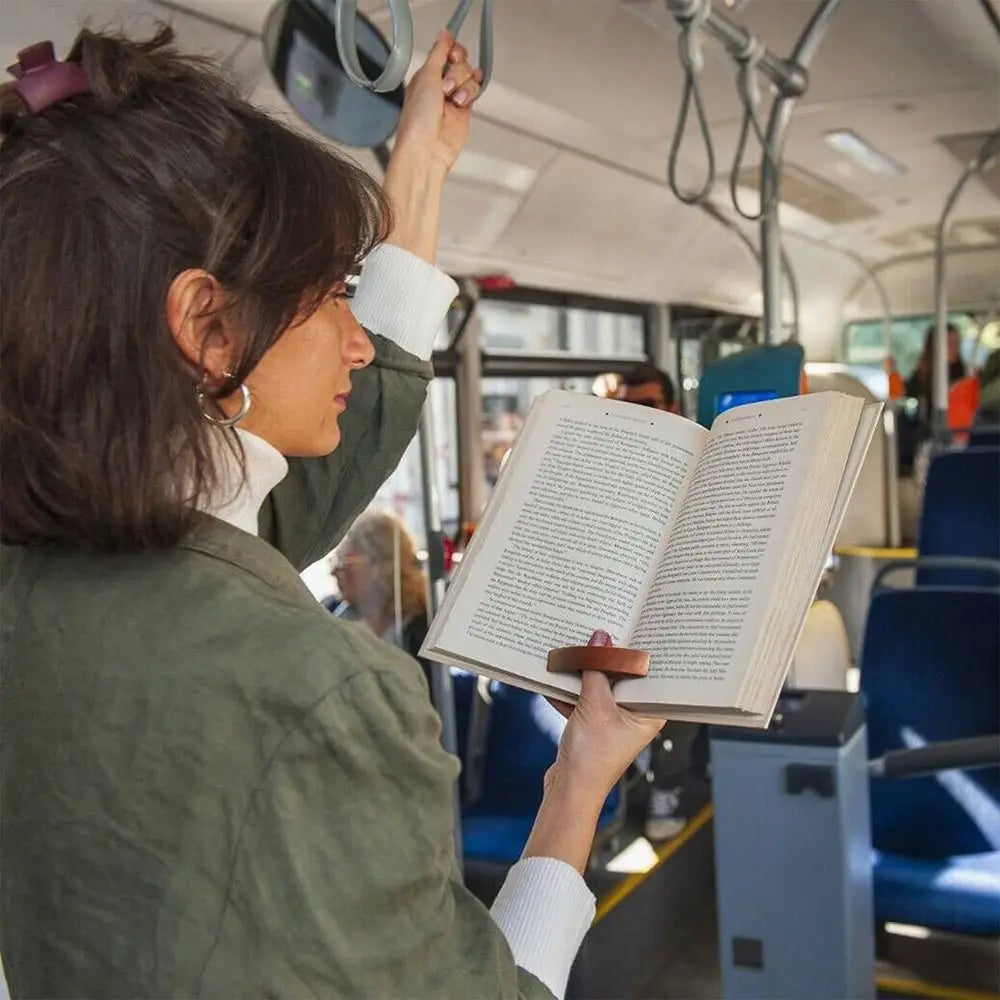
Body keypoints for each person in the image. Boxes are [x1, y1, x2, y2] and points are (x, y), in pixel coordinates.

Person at [0, 27, 665, 1000]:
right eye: (328, 298)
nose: (356, 343)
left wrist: (423, 166)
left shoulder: (42, 567)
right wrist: (577, 791)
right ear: (205, 328)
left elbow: (281, 496)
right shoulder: (310, 692)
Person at [615, 363, 701, 841]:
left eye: (645, 406)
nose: (636, 417)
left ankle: (667, 781)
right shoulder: (611, 468)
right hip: (623, 596)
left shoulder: (698, 457)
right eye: (625, 406)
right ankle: (628, 782)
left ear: (670, 407)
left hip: (678, 596)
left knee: (672, 703)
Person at [325, 510, 431, 684]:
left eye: (344, 562)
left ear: (382, 566)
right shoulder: (329, 612)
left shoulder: (424, 630)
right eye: (334, 561)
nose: (334, 572)